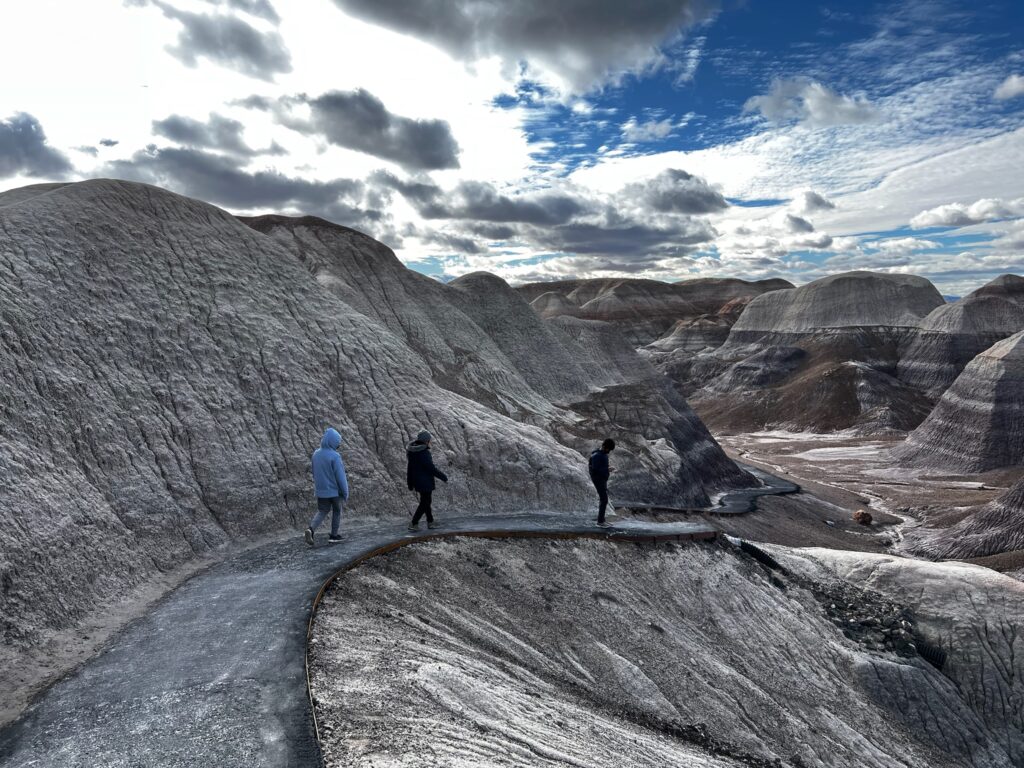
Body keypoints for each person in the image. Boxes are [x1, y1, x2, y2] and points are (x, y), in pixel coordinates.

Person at [305, 427, 349, 546]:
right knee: (336, 511)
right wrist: (345, 492)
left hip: (321, 491)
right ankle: (334, 535)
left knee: (322, 511)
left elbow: (314, 472)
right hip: (335, 492)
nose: (338, 445)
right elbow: (341, 477)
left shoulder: (316, 454)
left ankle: (311, 529)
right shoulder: (335, 456)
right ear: (333, 442)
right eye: (337, 442)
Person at [406, 430, 448, 531]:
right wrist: (443, 477)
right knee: (425, 502)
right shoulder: (424, 453)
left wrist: (410, 482)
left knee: (426, 501)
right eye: (429, 440)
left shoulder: (412, 452)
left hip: (418, 481)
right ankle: (413, 523)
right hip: (425, 482)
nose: (430, 442)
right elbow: (431, 468)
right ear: (426, 441)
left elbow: (410, 468)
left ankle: (430, 521)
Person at [588, 438, 615, 528]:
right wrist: (607, 469)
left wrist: (607, 469)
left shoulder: (601, 454)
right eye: (608, 449)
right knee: (604, 499)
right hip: (598, 479)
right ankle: (600, 521)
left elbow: (600, 466)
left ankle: (602, 520)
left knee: (604, 499)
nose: (609, 451)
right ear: (604, 446)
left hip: (602, 479)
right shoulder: (597, 455)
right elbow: (595, 469)